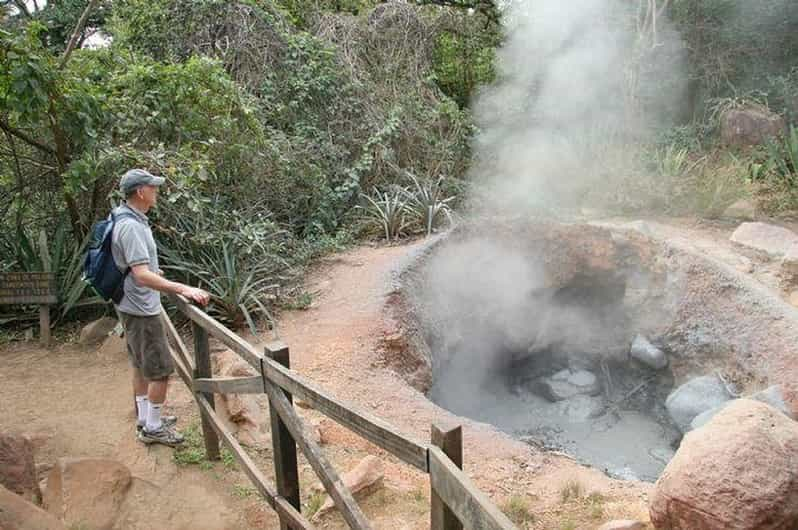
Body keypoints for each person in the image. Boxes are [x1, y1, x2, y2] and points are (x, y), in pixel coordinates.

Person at [112, 168, 210, 447]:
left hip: (129, 303)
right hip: (141, 308)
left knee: (140, 365)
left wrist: (156, 273)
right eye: (153, 187)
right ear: (141, 192)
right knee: (159, 370)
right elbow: (141, 274)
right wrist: (184, 288)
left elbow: (138, 267)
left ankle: (146, 420)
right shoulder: (131, 226)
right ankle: (153, 428)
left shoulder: (126, 216)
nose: (157, 191)